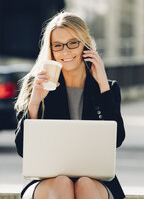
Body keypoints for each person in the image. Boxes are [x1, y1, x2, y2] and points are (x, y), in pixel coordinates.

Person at [14, 11, 126, 199]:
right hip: (46, 180)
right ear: (51, 49)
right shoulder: (38, 85)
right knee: (62, 183)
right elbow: (22, 149)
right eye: (58, 46)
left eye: (73, 43)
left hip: (95, 180)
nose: (65, 51)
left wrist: (103, 87)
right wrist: (35, 102)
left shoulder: (106, 87)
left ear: (85, 43)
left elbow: (117, 139)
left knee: (85, 184)